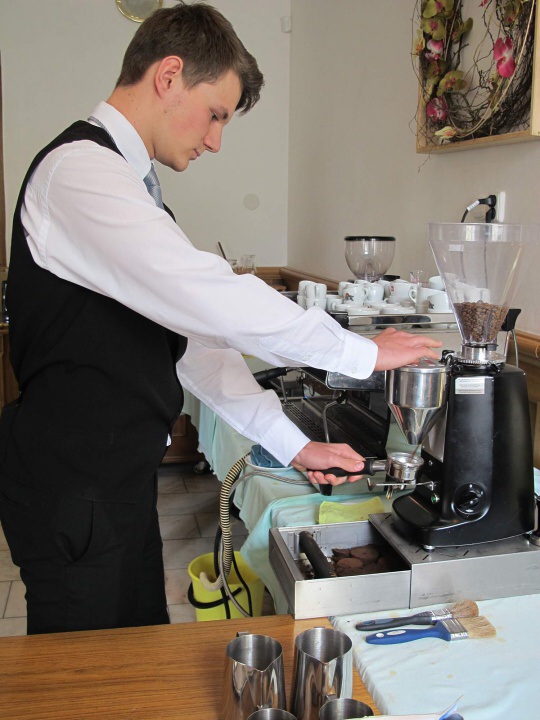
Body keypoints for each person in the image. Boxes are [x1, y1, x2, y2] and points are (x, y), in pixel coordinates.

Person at [0, 2, 441, 635]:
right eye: (216, 114)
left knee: (143, 651)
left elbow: (195, 344)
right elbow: (208, 295)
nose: (215, 140)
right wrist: (361, 352)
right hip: (70, 483)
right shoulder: (79, 172)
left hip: (114, 481)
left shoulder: (131, 191)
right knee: (92, 675)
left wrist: (294, 444)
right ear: (169, 76)